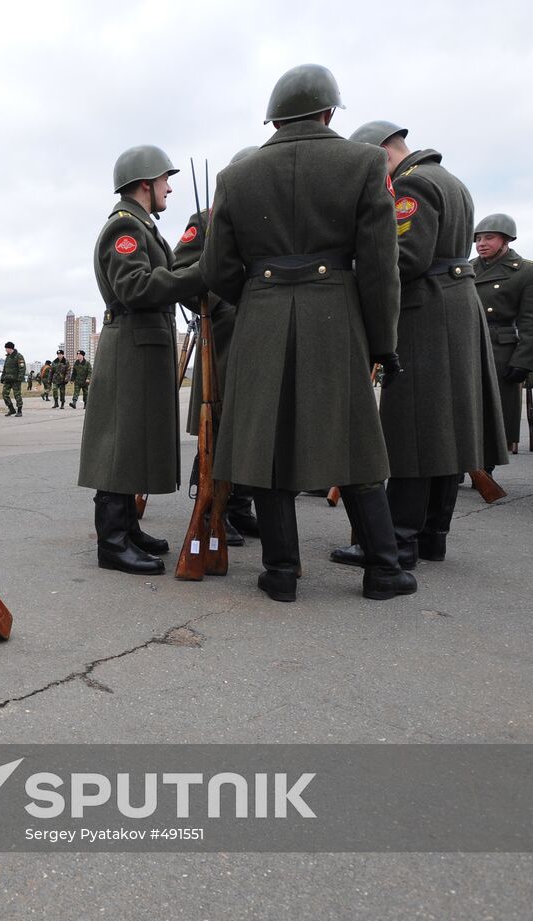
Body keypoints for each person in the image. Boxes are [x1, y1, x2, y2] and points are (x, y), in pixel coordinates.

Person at [202, 63, 414, 602]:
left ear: (274, 118)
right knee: (356, 442)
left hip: (262, 313)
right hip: (335, 312)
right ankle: (383, 571)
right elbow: (380, 265)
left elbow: (219, 269)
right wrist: (382, 342)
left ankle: (280, 573)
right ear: (328, 111)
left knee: (269, 446)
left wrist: (258, 297)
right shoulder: (364, 162)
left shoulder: (237, 176)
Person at [324, 121, 507, 568]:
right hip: (453, 305)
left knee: (412, 430)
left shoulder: (413, 186)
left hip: (426, 310)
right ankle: (431, 535)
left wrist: (353, 266)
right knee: (446, 429)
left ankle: (399, 539)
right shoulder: (451, 180)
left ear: (382, 153)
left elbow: (405, 258)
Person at [78, 144, 204, 575]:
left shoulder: (144, 226)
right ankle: (111, 542)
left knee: (132, 441)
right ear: (145, 183)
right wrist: (196, 274)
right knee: (120, 442)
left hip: (143, 345)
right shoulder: (124, 229)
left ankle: (127, 529)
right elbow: (134, 286)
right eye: (164, 179)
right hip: (131, 345)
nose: (169, 187)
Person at [172, 145, 261, 546]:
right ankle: (210, 508)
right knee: (218, 426)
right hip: (222, 340)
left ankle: (239, 507)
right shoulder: (205, 220)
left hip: (260, 335)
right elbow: (181, 270)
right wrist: (219, 306)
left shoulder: (266, 217)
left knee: (250, 428)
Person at [471, 213, 533, 455]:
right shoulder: (466, 269)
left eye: (489, 238)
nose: (481, 243)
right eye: (478, 239)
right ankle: (460, 464)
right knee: (463, 410)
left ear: (506, 241)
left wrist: (523, 362)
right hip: (466, 346)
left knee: (497, 412)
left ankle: (488, 465)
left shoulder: (527, 272)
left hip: (501, 350)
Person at [0, 341, 25, 415]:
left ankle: (19, 411)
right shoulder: (7, 357)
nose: (5, 350)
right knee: (4, 394)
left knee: (17, 395)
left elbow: (22, 368)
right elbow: (5, 368)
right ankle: (11, 409)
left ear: (10, 348)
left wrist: (19, 378)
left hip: (16, 380)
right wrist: (2, 377)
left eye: (6, 348)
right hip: (7, 379)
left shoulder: (18, 356)